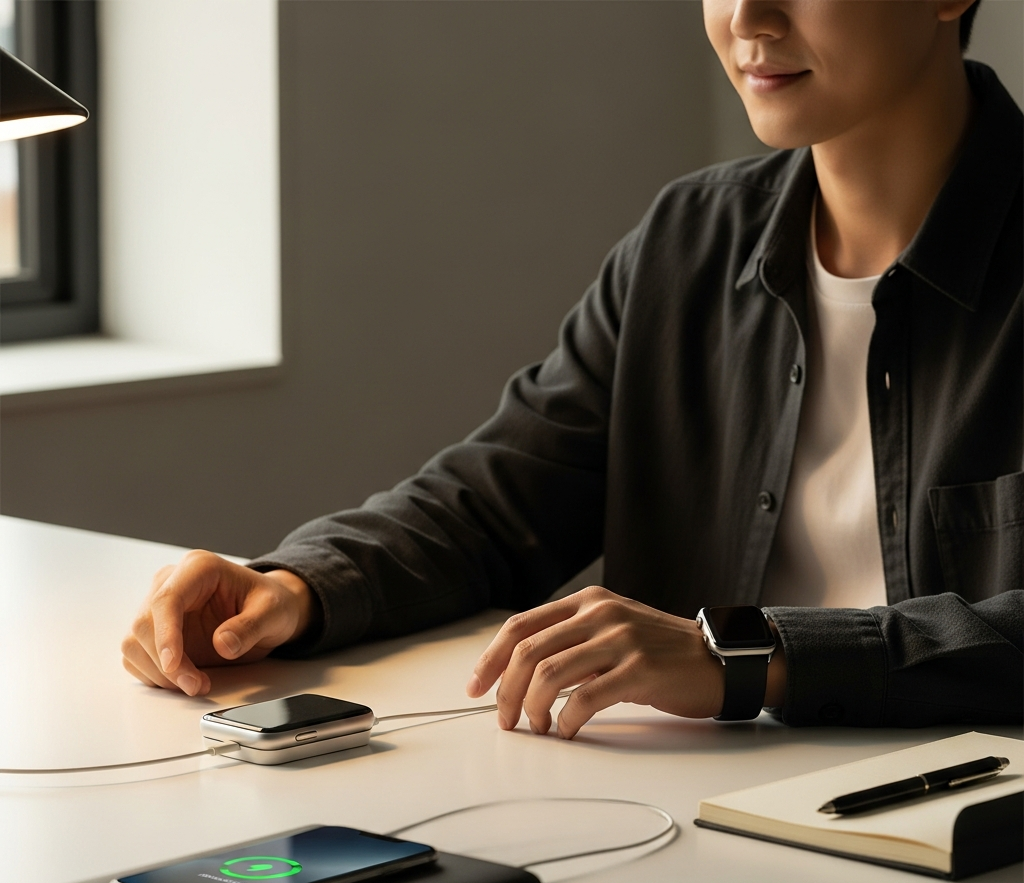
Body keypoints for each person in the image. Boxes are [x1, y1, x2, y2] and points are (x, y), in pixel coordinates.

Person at [122, 0, 1022, 738]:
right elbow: (495, 505)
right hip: (689, 815)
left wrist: (741, 656)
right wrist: (295, 587)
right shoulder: (689, 242)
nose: (749, 16)